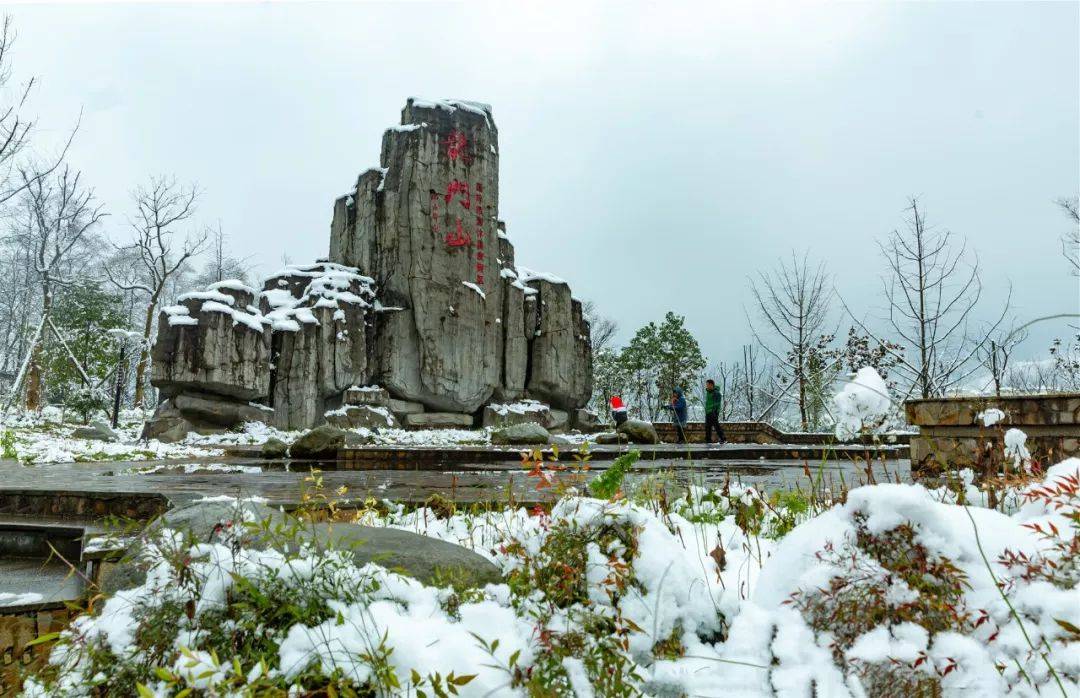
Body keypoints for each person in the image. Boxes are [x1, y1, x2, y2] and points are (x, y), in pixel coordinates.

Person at [704, 379, 726, 445]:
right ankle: (708, 440)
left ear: (711, 385)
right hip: (708, 412)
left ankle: (723, 439)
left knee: (716, 426)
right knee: (707, 426)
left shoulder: (716, 393)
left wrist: (714, 411)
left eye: (708, 384)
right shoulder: (708, 392)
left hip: (713, 412)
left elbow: (717, 403)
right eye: (706, 384)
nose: (707, 386)